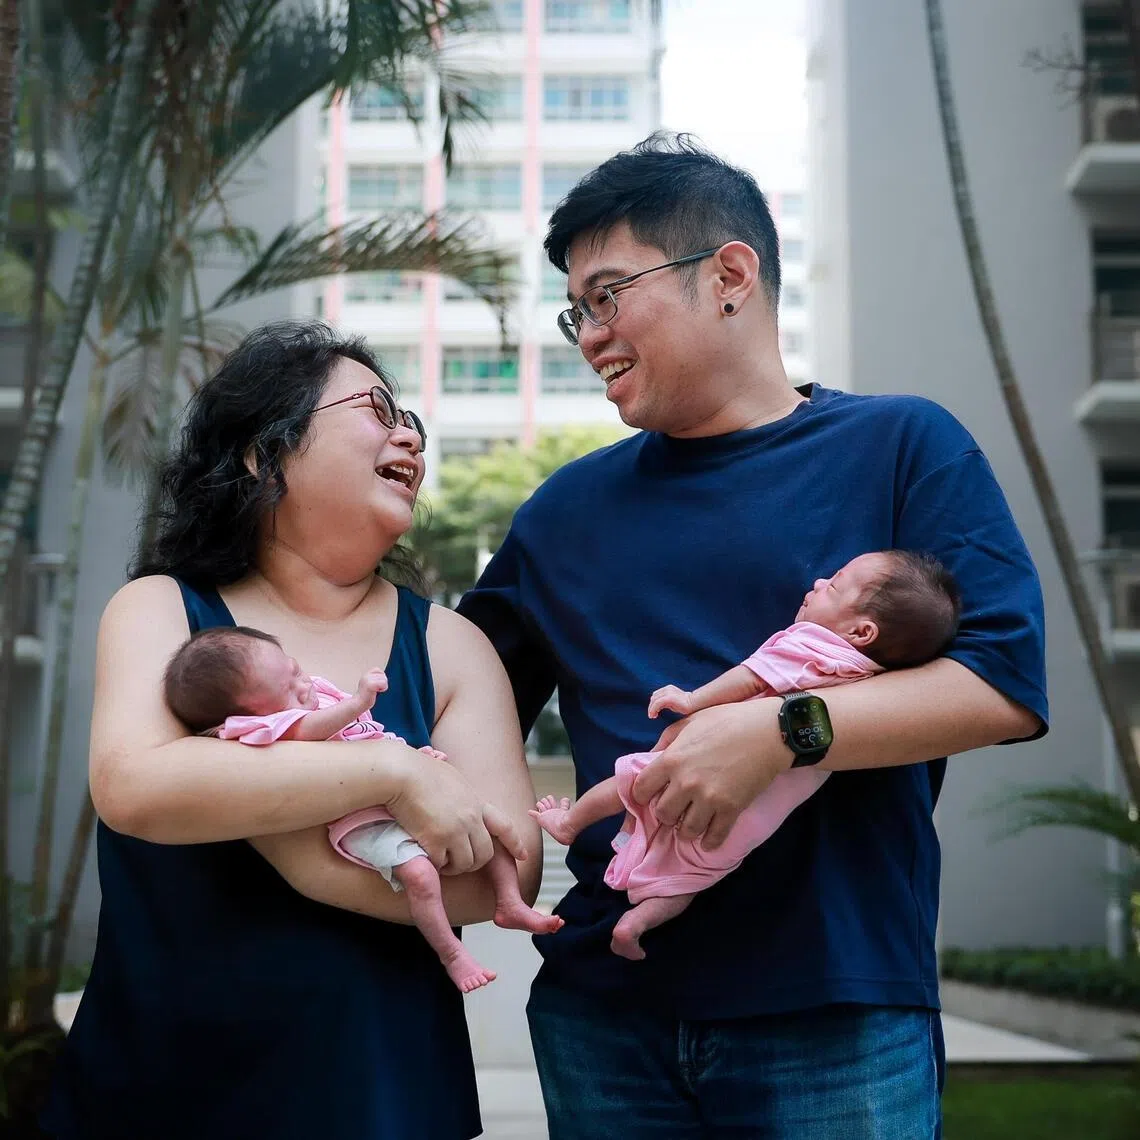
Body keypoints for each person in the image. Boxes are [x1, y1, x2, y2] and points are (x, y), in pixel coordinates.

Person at [457, 134, 1046, 1139]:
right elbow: (457, 697)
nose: (589, 335)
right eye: (577, 311)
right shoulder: (563, 513)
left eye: (609, 295)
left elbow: (1000, 684)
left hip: (835, 1005)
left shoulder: (905, 447)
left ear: (729, 274)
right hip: (604, 1009)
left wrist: (779, 730)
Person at [44, 322, 542, 1140]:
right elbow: (135, 786)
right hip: (163, 1090)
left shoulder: (451, 645)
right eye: (375, 410)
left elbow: (501, 872)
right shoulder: (161, 608)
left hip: (384, 1093)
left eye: (408, 417)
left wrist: (290, 844)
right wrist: (393, 775)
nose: (407, 434)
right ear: (260, 451)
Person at [532, 549, 960, 962]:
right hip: (753, 818)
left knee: (631, 780)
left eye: (834, 586)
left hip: (712, 770)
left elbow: (751, 678)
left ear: (862, 632)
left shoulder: (813, 647)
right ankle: (635, 925)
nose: (817, 582)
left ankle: (569, 823)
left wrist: (692, 699)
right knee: (696, 873)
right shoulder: (874, 681)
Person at [163, 625, 561, 991]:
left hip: (403, 789)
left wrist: (415, 760)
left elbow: (368, 735)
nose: (303, 688)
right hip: (359, 820)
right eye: (284, 691)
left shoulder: (312, 689)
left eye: (295, 670)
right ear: (246, 716)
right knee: (420, 876)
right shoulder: (262, 730)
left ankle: (509, 902)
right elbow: (309, 730)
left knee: (487, 822)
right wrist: (358, 701)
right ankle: (452, 954)